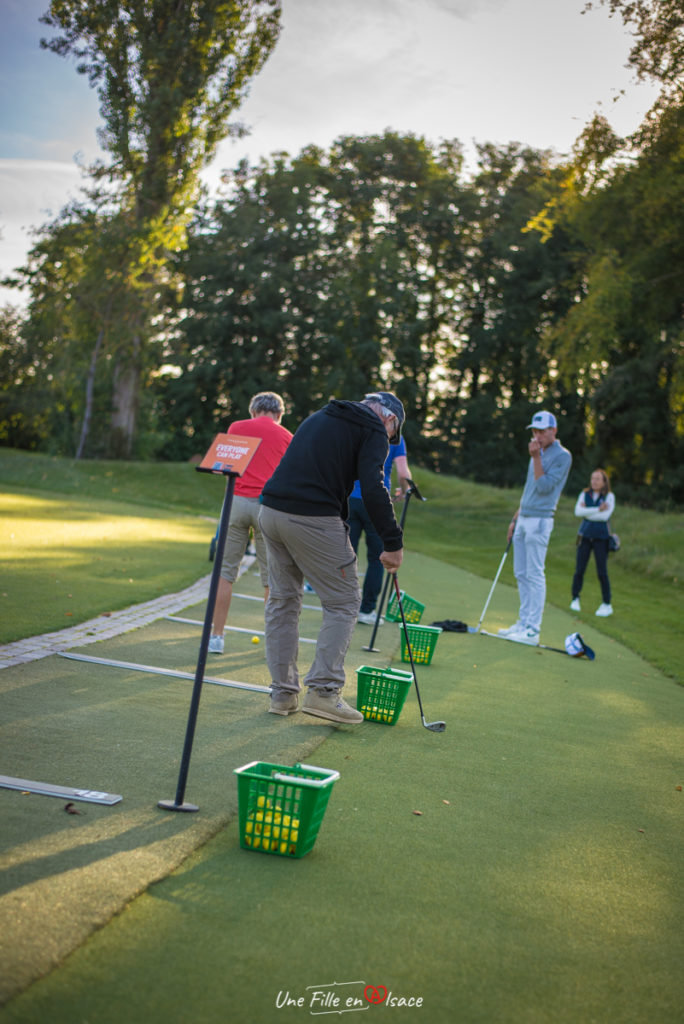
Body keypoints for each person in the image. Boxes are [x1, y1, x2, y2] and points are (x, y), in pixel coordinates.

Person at [258, 391, 405, 722]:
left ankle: (282, 695)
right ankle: (324, 692)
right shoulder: (374, 429)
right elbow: (373, 488)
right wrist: (392, 542)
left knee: (282, 601)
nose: (389, 440)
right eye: (392, 436)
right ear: (390, 419)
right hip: (312, 518)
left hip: (270, 511)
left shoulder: (321, 416)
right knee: (344, 602)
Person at [208, 392, 293, 654]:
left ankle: (217, 637)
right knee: (271, 578)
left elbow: (220, 467)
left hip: (235, 503)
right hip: (266, 507)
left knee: (225, 573)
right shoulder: (288, 437)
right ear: (279, 414)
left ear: (253, 411)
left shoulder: (237, 427)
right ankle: (272, 643)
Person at [499, 409, 572, 644]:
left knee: (534, 574)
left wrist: (536, 458)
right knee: (521, 573)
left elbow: (544, 488)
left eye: (542, 431)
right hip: (525, 518)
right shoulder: (537, 453)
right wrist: (515, 518)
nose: (537, 436)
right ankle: (523, 623)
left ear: (554, 431)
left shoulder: (562, 456)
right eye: (535, 431)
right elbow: (530, 490)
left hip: (540, 521)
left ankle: (532, 629)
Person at [349, 439, 411, 625]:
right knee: (377, 558)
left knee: (345, 553)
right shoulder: (397, 439)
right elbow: (403, 472)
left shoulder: (361, 429)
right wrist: (405, 490)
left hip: (350, 498)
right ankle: (366, 610)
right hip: (377, 501)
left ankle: (340, 605)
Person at [570, 468, 615, 617]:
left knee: (602, 571)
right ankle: (575, 598)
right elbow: (578, 512)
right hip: (585, 537)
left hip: (601, 539)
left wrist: (588, 511)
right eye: (592, 478)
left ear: (603, 482)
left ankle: (606, 603)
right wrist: (597, 509)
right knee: (579, 569)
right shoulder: (584, 494)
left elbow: (604, 517)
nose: (594, 481)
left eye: (597, 479)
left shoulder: (609, 496)